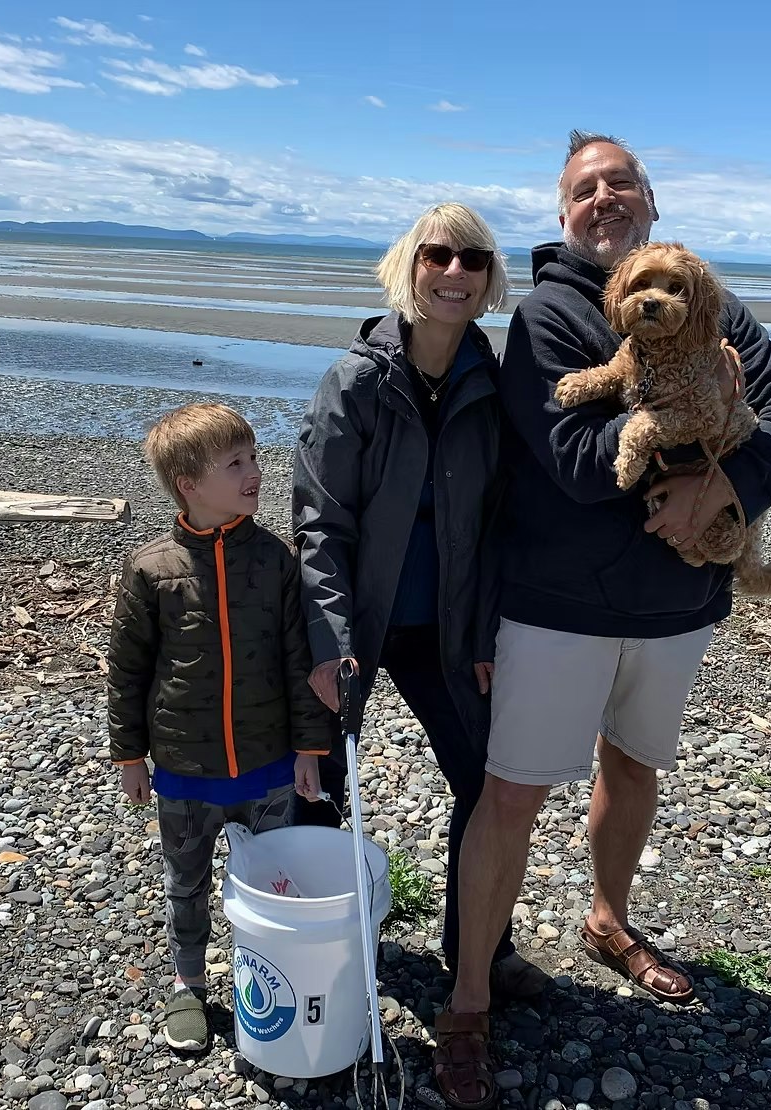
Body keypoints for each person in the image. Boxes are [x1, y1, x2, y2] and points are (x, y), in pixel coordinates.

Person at [432, 133, 771, 1109]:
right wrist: (694, 479)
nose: (603, 199)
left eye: (619, 184)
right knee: (511, 793)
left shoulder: (712, 303)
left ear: (649, 201)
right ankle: (469, 1001)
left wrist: (719, 487)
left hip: (679, 606)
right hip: (556, 608)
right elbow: (573, 457)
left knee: (635, 768)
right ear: (563, 215)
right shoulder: (549, 316)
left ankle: (609, 920)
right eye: (583, 189)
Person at [292, 202, 551, 1004]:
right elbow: (319, 523)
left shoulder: (494, 382)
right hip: (357, 628)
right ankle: (319, 947)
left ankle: (480, 949)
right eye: (437, 255)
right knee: (317, 787)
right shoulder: (356, 381)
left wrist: (481, 633)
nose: (454, 273)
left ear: (488, 281)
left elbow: (501, 523)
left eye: (473, 261)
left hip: (445, 631)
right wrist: (329, 642)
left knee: (484, 781)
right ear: (409, 265)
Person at [108, 402, 331, 1054]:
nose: (256, 472)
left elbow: (298, 661)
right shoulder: (151, 569)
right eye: (236, 464)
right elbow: (127, 671)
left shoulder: (276, 561)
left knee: (272, 881)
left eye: (255, 457)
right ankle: (188, 983)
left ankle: (268, 972)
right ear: (190, 485)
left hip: (268, 764)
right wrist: (129, 757)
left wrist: (309, 750)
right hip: (185, 769)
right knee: (187, 882)